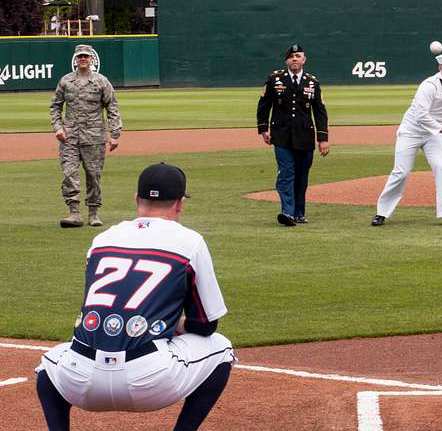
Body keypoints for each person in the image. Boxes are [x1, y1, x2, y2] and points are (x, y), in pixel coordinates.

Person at [36, 163, 235, 431]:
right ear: (179, 204)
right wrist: (174, 324)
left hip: (79, 378)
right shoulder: (190, 242)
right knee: (221, 348)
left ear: (136, 200)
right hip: (149, 382)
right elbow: (206, 325)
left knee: (48, 365)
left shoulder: (102, 240)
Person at [372, 51, 442, 227]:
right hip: (411, 131)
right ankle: (381, 213)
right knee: (401, 172)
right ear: (440, 68)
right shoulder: (429, 85)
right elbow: (420, 114)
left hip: (435, 134)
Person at [256, 44, 329, 227]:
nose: (294, 59)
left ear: (304, 60)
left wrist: (323, 138)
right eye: (291, 56)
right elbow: (264, 105)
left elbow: (319, 111)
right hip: (281, 135)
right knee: (286, 173)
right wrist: (263, 128)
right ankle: (287, 212)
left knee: (302, 175)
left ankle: (299, 213)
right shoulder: (274, 79)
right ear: (286, 61)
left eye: (298, 56)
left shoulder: (312, 82)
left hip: (305, 135)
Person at [50, 44, 122, 228]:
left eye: (86, 56)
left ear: (91, 59)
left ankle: (93, 212)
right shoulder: (66, 81)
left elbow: (112, 107)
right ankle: (74, 212)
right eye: (80, 56)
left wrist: (115, 134)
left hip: (94, 137)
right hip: (69, 137)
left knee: (93, 176)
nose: (83, 59)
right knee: (69, 173)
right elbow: (55, 106)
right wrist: (58, 128)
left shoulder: (101, 81)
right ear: (76, 59)